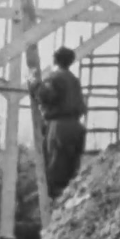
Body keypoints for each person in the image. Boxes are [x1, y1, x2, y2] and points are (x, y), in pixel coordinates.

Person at [28, 46, 87, 200]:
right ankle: (66, 199)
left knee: (56, 167)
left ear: (55, 59)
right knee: (71, 167)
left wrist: (34, 84)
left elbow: (46, 95)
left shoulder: (56, 78)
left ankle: (54, 200)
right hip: (76, 126)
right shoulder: (74, 80)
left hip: (60, 126)